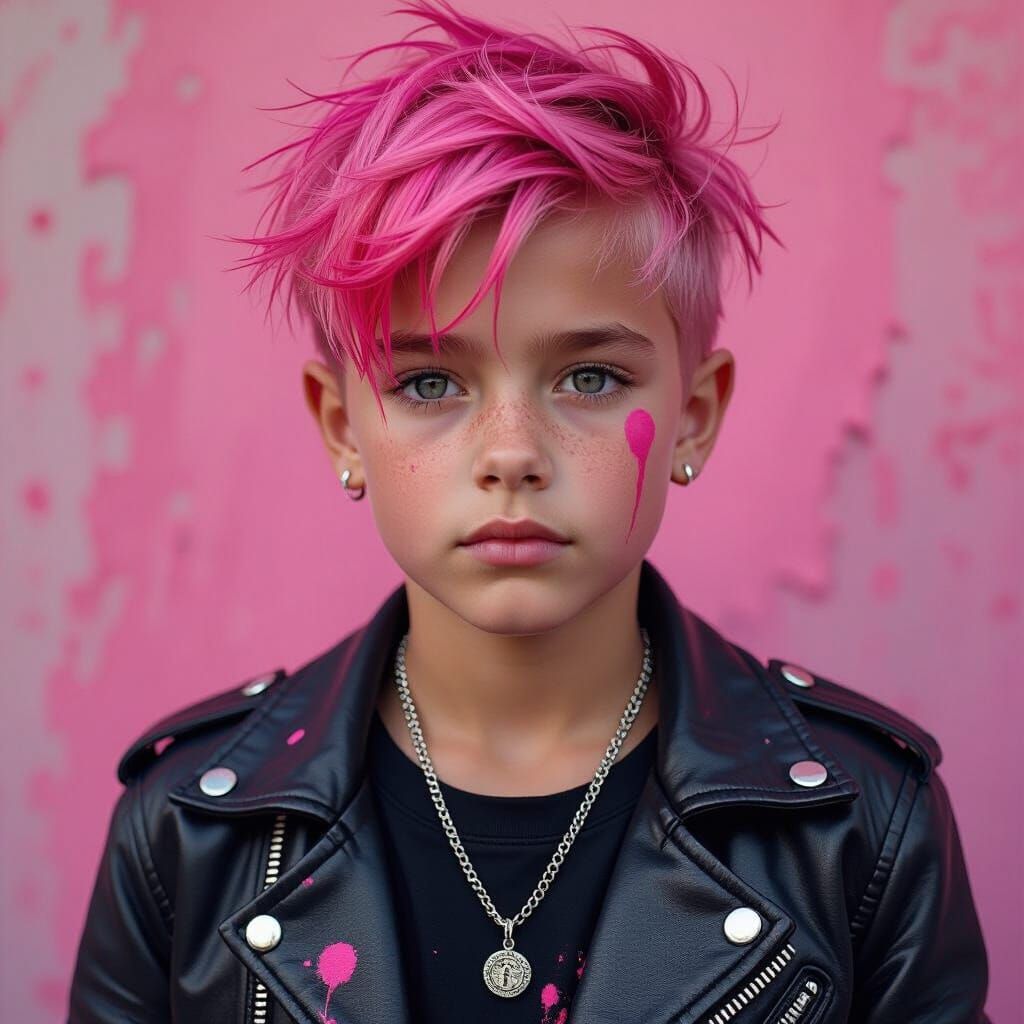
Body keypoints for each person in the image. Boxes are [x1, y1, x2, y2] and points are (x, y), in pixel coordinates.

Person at [67, 1, 991, 1021]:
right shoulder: (188, 836)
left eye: (589, 377)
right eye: (428, 384)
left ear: (691, 416)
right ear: (340, 426)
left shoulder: (861, 826)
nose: (511, 453)